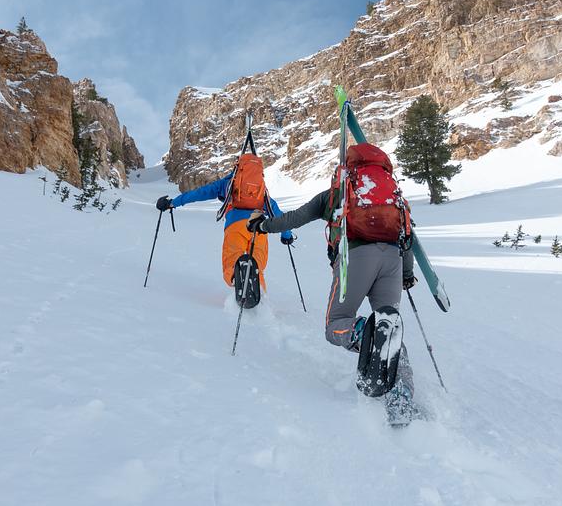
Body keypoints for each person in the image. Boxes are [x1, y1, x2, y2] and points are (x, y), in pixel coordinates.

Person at [246, 142, 419, 420]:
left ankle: (362, 333)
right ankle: (403, 394)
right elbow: (407, 235)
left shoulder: (340, 192)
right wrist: (407, 274)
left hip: (356, 258)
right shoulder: (394, 195)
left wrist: (262, 225)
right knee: (390, 329)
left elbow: (295, 218)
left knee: (335, 323)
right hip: (393, 261)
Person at [155, 162, 293, 301]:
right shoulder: (260, 190)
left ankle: (238, 280)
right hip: (259, 228)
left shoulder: (227, 184)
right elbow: (278, 215)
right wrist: (286, 235)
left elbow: (199, 193)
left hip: (235, 226)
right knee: (257, 266)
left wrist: (172, 203)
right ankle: (260, 299)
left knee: (232, 263)